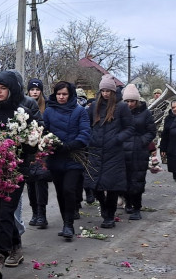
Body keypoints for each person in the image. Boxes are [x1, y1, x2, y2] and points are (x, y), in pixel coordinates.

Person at [0, 70, 41, 276]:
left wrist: (28, 143)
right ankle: (16, 245)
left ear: (11, 90)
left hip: (15, 173)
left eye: (3, 88)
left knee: (6, 213)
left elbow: (35, 143)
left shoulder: (23, 113)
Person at [43, 81, 91, 240]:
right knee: (60, 192)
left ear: (70, 95)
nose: (61, 97)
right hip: (55, 158)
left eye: (64, 94)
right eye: (58, 94)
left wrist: (70, 146)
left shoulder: (80, 111)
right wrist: (47, 143)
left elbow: (85, 133)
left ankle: (69, 224)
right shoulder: (49, 111)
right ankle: (65, 223)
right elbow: (44, 130)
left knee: (69, 190)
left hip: (73, 157)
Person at [85, 75, 132, 228]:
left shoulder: (121, 107)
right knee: (95, 184)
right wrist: (91, 138)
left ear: (113, 91)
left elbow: (129, 128)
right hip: (95, 150)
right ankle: (104, 207)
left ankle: (109, 215)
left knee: (112, 185)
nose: (105, 94)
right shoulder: (94, 107)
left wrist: (117, 139)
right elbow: (87, 126)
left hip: (114, 152)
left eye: (108, 91)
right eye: (103, 90)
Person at [121, 84, 155, 221]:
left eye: (132, 101)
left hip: (139, 151)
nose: (130, 104)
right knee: (124, 179)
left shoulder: (145, 113)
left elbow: (151, 131)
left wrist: (141, 141)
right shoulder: (120, 112)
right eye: (127, 101)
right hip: (122, 150)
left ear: (137, 101)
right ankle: (127, 202)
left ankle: (137, 207)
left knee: (137, 180)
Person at [24, 78, 51, 229]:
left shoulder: (46, 107)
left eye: (37, 89)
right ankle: (34, 211)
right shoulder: (23, 105)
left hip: (42, 148)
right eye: (32, 89)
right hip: (28, 148)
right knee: (30, 180)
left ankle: (42, 213)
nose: (34, 92)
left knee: (41, 179)